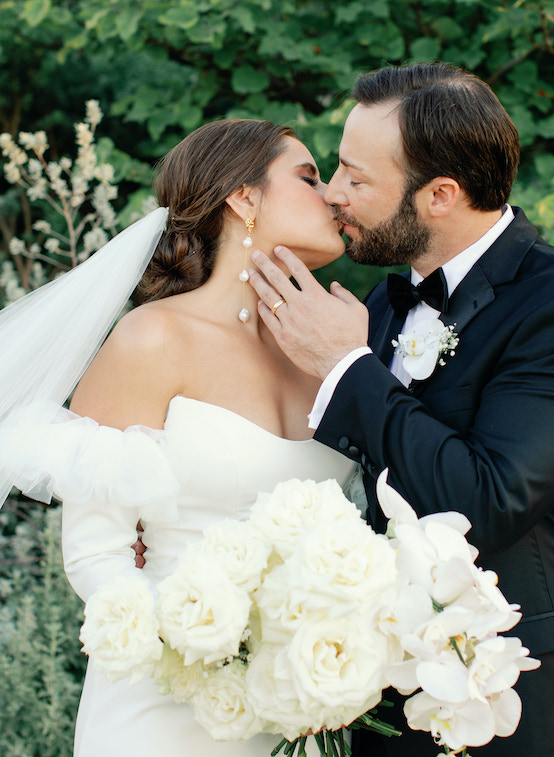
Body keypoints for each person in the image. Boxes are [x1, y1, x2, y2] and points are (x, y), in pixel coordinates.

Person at [248, 62, 554, 756]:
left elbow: (485, 498)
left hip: (526, 709)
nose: (334, 194)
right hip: (382, 709)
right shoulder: (381, 305)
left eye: (357, 178)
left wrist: (346, 368)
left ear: (441, 196)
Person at [0, 119, 356, 756]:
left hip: (297, 711)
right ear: (242, 199)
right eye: (308, 177)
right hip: (164, 706)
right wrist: (211, 646)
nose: (332, 194)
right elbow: (96, 555)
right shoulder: (152, 338)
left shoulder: (328, 354)